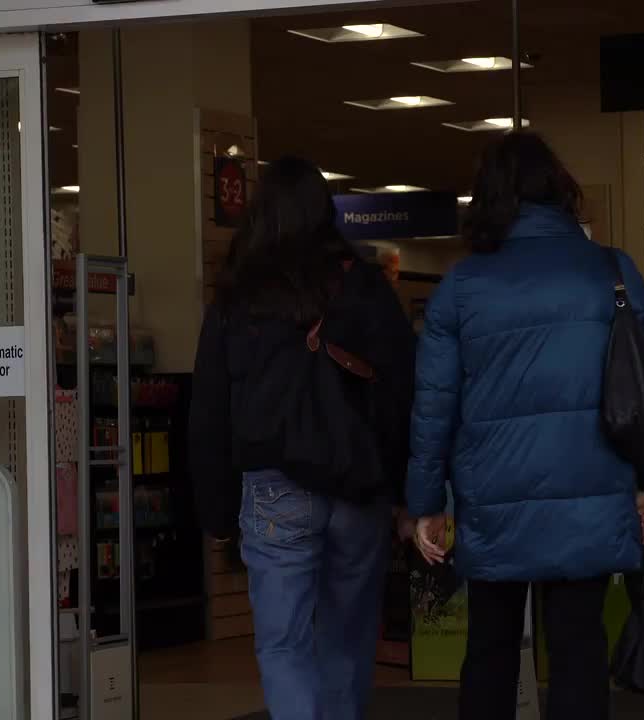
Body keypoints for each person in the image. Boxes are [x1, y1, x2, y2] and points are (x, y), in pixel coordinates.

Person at [405, 132, 644, 720]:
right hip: (591, 482)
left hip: (493, 493)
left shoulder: (462, 285)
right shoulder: (612, 271)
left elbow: (433, 406)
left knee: (490, 644)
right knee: (579, 645)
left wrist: (426, 503)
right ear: (559, 189)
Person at [188, 156, 416, 720]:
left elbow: (209, 409)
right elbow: (403, 391)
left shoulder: (237, 296)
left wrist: (217, 511)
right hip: (358, 484)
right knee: (347, 636)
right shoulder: (363, 285)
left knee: (283, 643)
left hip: (274, 488)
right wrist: (407, 490)